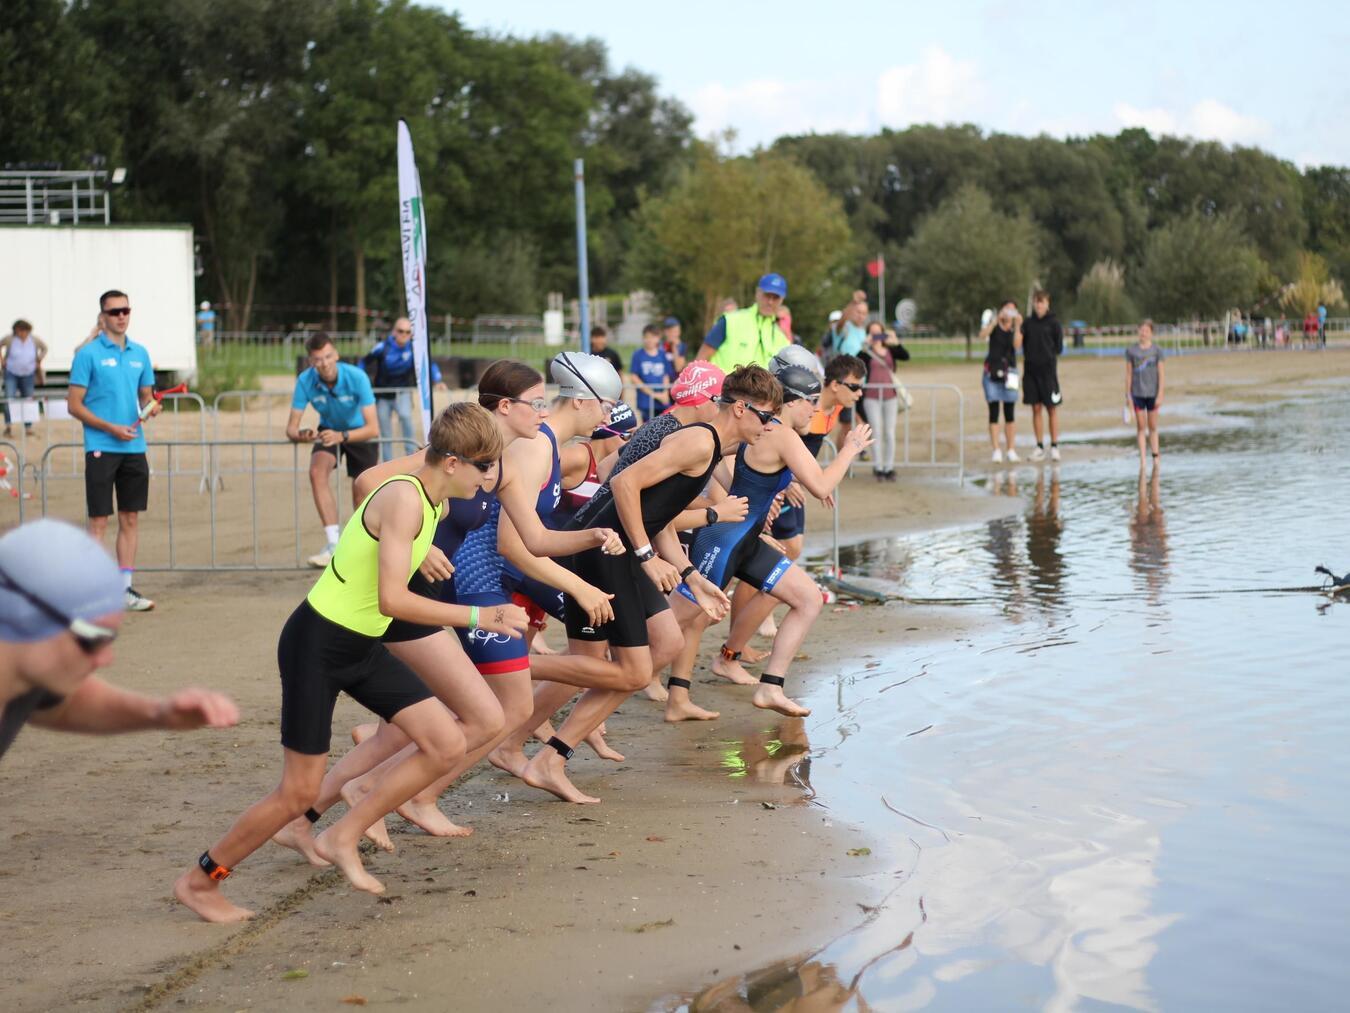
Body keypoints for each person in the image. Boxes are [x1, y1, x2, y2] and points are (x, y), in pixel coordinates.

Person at [175, 404, 529, 921]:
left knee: (448, 741)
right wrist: (480, 614)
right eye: (484, 465)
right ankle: (201, 880)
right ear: (452, 462)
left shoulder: (439, 502)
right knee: (295, 789)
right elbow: (392, 600)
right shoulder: (408, 499)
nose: (490, 476)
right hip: (317, 643)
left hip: (361, 645)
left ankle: (343, 834)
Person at [669, 365, 872, 718]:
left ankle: (770, 687)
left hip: (746, 540)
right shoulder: (781, 436)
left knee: (808, 598)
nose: (815, 409)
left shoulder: (765, 430)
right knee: (676, 623)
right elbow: (822, 486)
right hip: (722, 541)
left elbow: (729, 467)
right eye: (811, 402)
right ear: (791, 403)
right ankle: (619, 671)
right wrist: (850, 449)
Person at [0, 519, 239, 764]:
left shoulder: (24, 665)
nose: (106, 659)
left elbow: (58, 704)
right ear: (25, 616)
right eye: (91, 640)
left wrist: (158, 713)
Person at [66, 290, 160, 612]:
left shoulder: (140, 353)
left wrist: (151, 407)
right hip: (102, 446)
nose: (121, 316)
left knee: (130, 518)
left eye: (126, 310)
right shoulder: (88, 355)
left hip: (134, 446)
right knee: (98, 522)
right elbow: (74, 405)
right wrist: (110, 428)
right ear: (103, 317)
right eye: (115, 311)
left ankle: (124, 589)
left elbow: (145, 396)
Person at [287, 332, 381, 568]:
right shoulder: (305, 380)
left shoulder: (357, 377)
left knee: (361, 490)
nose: (325, 363)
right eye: (318, 359)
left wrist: (343, 436)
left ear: (336, 355)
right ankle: (333, 544)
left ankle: (364, 547)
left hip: (359, 432)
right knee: (316, 473)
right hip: (329, 430)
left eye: (328, 356)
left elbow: (373, 428)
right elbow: (290, 428)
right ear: (311, 362)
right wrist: (303, 434)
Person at [363, 317, 445, 460]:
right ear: (394, 332)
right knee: (385, 431)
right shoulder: (382, 347)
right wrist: (359, 381)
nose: (404, 335)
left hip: (403, 392)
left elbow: (429, 363)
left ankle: (410, 458)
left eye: (408, 332)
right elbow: (363, 362)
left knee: (406, 418)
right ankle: (387, 463)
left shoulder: (414, 348)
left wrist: (437, 379)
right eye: (401, 331)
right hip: (383, 394)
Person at [697, 274, 790, 370]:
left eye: (776, 297)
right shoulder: (730, 320)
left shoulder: (782, 339)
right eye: (767, 295)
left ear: (782, 300)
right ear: (757, 292)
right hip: (722, 385)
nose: (770, 301)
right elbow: (701, 359)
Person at [1021, 289, 1064, 462]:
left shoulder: (1054, 323)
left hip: (1048, 372)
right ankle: (1039, 446)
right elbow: (1020, 344)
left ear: (1047, 304)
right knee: (1035, 408)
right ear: (1033, 303)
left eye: (1042, 302)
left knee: (1051, 408)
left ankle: (1054, 445)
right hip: (1031, 371)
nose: (1039, 305)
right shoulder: (1028, 323)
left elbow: (1059, 347)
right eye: (1037, 302)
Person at [980, 301, 1022, 463]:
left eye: (1012, 310)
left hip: (1010, 372)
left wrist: (1017, 326)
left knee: (1010, 412)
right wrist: (995, 321)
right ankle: (996, 449)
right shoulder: (995, 326)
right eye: (1007, 309)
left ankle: (1011, 449)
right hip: (992, 372)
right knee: (994, 411)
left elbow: (1017, 345)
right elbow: (982, 335)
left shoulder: (1015, 328)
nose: (1009, 313)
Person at [861, 328, 905, 481]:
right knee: (876, 431)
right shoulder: (866, 352)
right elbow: (857, 362)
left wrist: (895, 342)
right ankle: (878, 466)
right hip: (871, 396)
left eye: (879, 333)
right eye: (873, 333)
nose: (876, 336)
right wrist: (865, 344)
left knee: (889, 432)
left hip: (890, 396)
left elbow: (905, 356)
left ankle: (889, 466)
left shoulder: (890, 350)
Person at [1126, 319, 1165, 467]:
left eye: (1146, 330)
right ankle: (1143, 458)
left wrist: (1160, 393)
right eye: (1141, 330)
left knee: (1153, 426)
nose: (1143, 333)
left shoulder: (1157, 351)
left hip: (1153, 392)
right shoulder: (1131, 351)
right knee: (1141, 426)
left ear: (1151, 333)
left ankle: (1155, 455)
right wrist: (1128, 396)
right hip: (1137, 393)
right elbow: (1128, 374)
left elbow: (1161, 374)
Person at [2, 319, 47, 437]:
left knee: (28, 400)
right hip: (11, 372)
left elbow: (44, 348)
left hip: (28, 374)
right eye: (20, 330)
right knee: (9, 399)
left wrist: (39, 360)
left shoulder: (34, 340)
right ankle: (8, 426)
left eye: (25, 331)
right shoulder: (9, 339)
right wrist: (2, 361)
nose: (22, 333)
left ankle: (28, 427)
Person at [629, 323, 677, 421]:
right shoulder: (638, 355)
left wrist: (664, 393)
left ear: (658, 338)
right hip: (646, 400)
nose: (650, 340)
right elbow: (634, 377)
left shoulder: (662, 355)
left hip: (662, 401)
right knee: (648, 427)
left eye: (653, 337)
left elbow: (666, 375)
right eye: (647, 337)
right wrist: (652, 394)